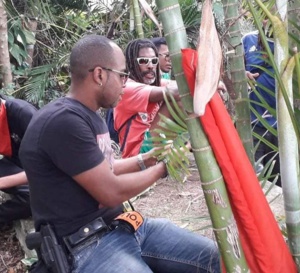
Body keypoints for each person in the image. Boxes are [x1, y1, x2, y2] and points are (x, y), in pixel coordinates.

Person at [19, 34, 220, 273]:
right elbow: (110, 192)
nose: (125, 83)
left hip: (127, 227)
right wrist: (164, 168)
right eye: (123, 75)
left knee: (216, 258)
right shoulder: (64, 121)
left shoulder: (89, 114)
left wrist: (148, 158)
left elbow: (107, 167)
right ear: (99, 75)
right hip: (87, 246)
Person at [114, 38, 181, 158]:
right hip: (137, 154)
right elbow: (175, 91)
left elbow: (180, 84)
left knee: (190, 96)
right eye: (143, 61)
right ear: (131, 63)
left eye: (154, 61)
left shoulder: (154, 84)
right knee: (180, 99)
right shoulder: (127, 87)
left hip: (151, 144)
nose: (150, 66)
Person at [242, 24, 281, 185]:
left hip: (283, 127)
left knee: (281, 182)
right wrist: (241, 74)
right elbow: (230, 71)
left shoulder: (291, 37)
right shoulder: (248, 39)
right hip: (253, 125)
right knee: (255, 181)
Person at [0, 95, 37, 229]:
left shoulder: (22, 113)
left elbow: (48, 167)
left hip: (41, 173)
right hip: (13, 164)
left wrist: (3, 182)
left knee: (33, 200)